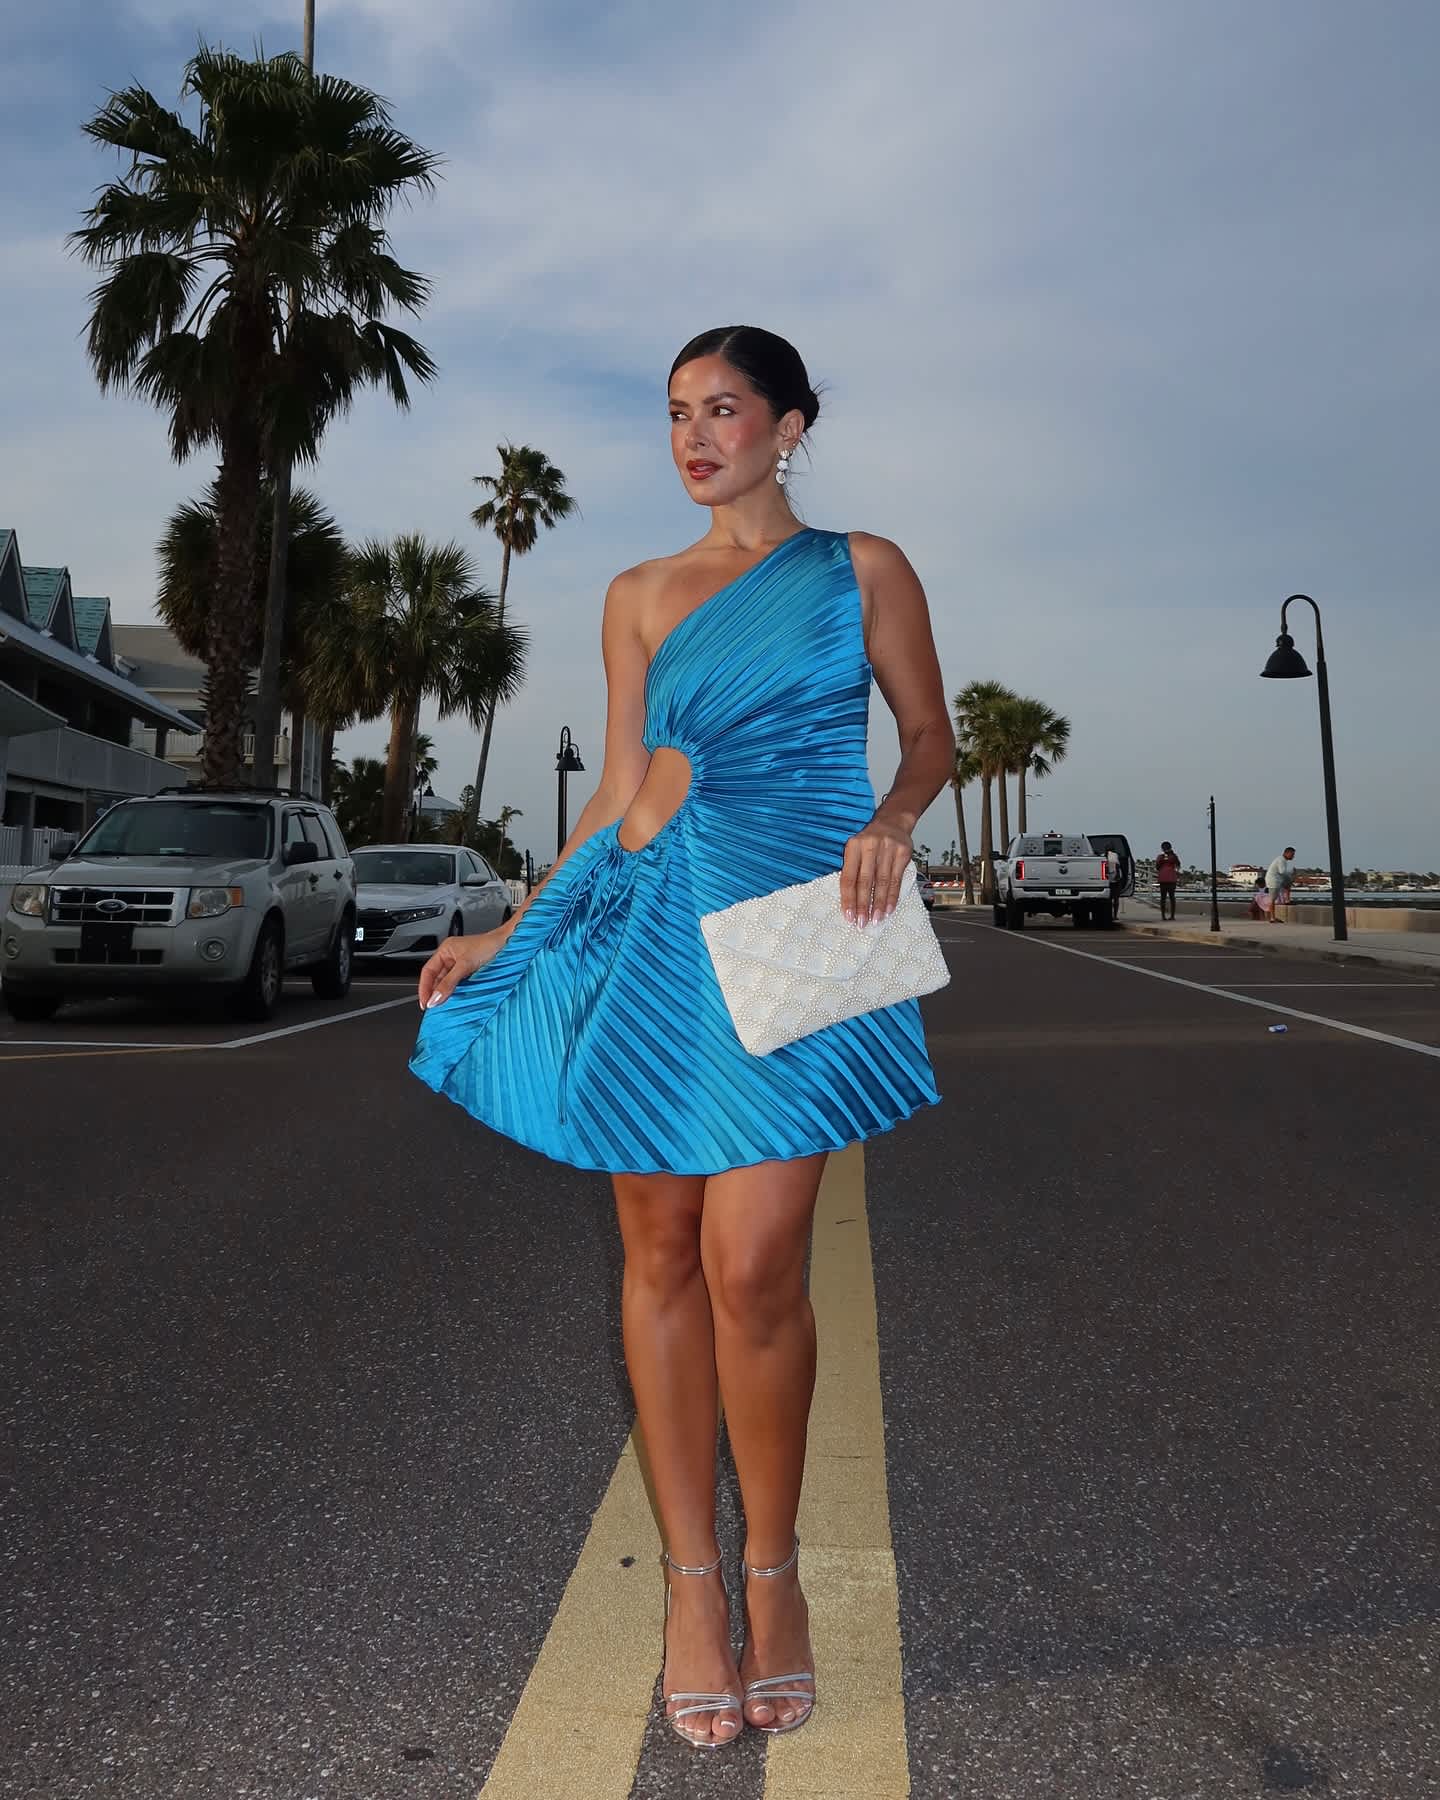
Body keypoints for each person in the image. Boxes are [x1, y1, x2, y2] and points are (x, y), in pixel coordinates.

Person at [410, 327, 953, 1749]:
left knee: (756, 1264)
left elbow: (930, 737)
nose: (695, 438)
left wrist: (894, 820)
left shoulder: (863, 569)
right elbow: (618, 792)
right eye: (675, 415)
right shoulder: (640, 593)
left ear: (790, 425)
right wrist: (508, 935)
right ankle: (693, 1591)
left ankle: (776, 1572)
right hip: (650, 934)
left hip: (791, 928)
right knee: (658, 1256)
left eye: (723, 409)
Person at [1266, 846, 1296, 921]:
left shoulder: (1282, 860)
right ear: (1286, 853)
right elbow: (1282, 871)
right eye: (1292, 854)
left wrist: (1289, 878)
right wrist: (1291, 873)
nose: (1293, 856)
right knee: (1272, 899)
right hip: (1273, 881)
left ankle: (1287, 900)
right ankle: (1272, 918)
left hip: (1278, 880)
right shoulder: (1281, 860)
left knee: (1288, 882)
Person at [1155, 840, 1181, 920]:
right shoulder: (1174, 856)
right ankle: (1172, 916)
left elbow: (1157, 867)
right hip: (1171, 878)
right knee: (1172, 897)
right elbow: (1178, 865)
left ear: (1162, 848)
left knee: (1163, 898)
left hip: (1163, 878)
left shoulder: (1160, 857)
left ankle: (1163, 916)